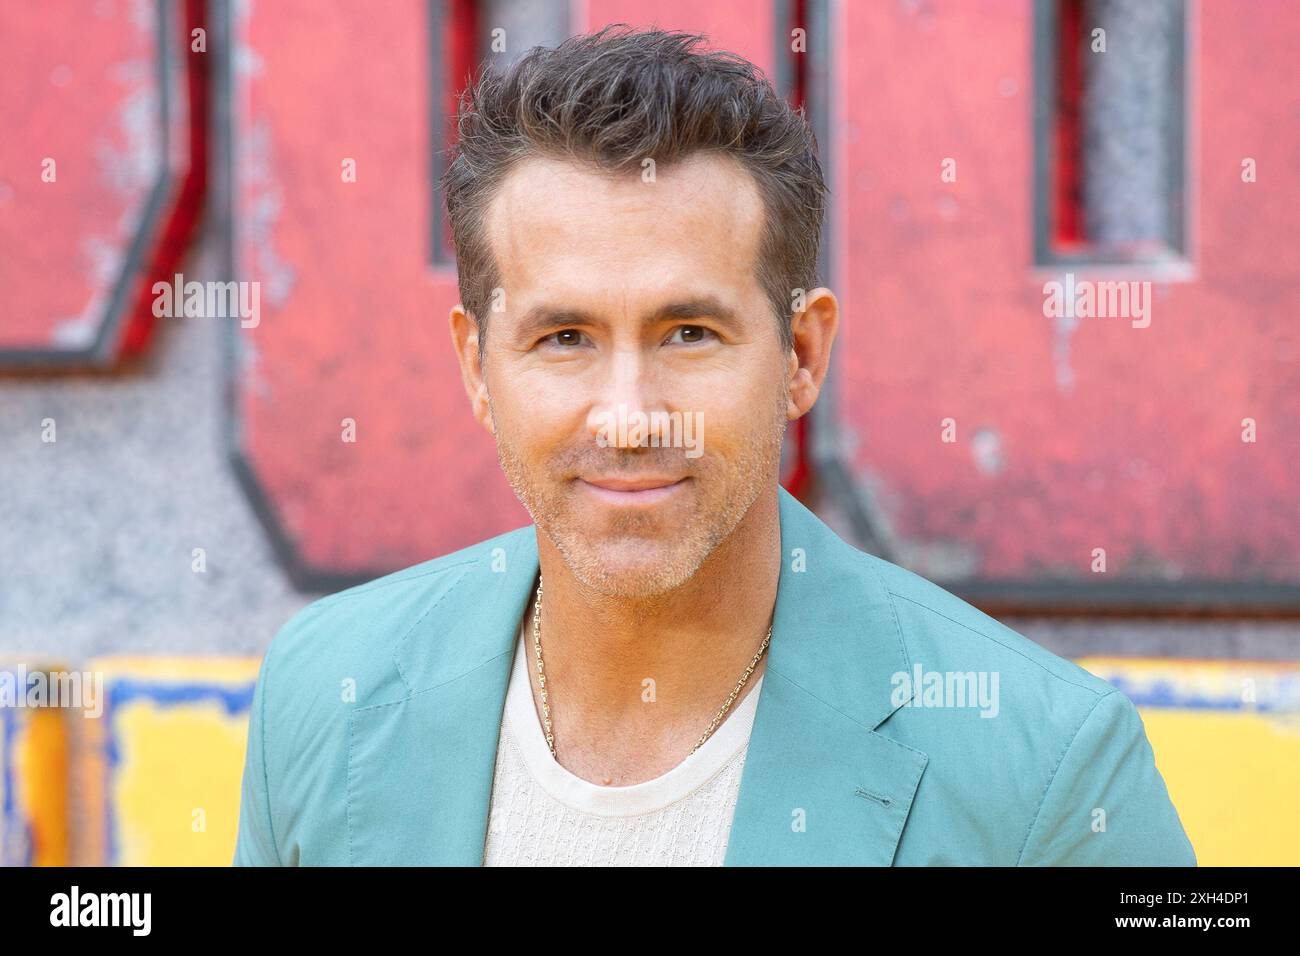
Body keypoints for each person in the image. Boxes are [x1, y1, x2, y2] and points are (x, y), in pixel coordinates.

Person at [234, 25, 1196, 866]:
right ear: (478, 368)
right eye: (563, 338)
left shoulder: (1043, 767)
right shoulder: (323, 690)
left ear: (802, 354)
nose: (629, 415)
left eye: (688, 334)